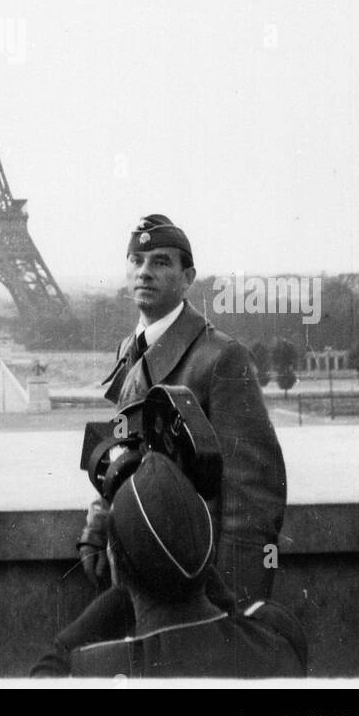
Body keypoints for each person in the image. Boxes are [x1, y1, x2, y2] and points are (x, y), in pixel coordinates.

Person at [78, 214, 286, 608]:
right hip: (136, 570)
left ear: (188, 277)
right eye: (136, 261)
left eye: (160, 262)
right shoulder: (130, 349)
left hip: (191, 587)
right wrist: (97, 527)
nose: (145, 272)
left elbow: (252, 497)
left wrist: (234, 604)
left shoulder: (221, 357)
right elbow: (123, 454)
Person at [35, 452, 306, 678]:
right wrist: (187, 553)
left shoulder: (97, 669)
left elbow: (47, 670)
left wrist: (126, 580)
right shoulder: (280, 638)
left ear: (117, 567)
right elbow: (241, 614)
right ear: (207, 552)